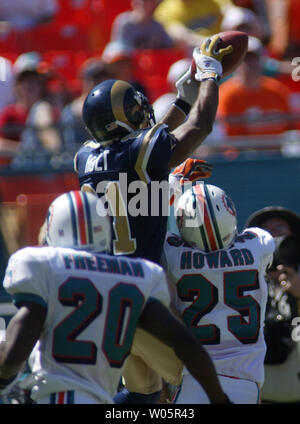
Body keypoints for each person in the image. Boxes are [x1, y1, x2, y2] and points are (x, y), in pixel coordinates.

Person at [74, 34, 233, 403]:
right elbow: (200, 127)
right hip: (140, 296)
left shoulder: (85, 158)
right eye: (134, 110)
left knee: (144, 395)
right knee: (197, 382)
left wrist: (179, 101)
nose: (143, 114)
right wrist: (210, 76)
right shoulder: (140, 152)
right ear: (123, 121)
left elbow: (143, 146)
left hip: (106, 297)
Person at [0, 190, 232, 404]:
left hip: (57, 396)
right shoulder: (136, 275)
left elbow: (16, 349)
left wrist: (5, 382)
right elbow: (186, 343)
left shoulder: (40, 265)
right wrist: (220, 400)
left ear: (53, 228)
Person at [161, 182, 275, 403]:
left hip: (194, 376)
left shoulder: (170, 253)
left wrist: (173, 185)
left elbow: (147, 226)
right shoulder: (259, 243)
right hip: (247, 379)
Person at [245, 206, 300, 403]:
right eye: (267, 232)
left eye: (280, 228)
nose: (275, 237)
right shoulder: (245, 281)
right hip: (260, 391)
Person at [217, 36, 294, 137]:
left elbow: (291, 125)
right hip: (244, 151)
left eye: (253, 59)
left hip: (277, 150)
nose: (249, 64)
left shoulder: (277, 90)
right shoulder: (226, 94)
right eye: (244, 59)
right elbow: (230, 137)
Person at [61, 58, 110, 154]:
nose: (97, 82)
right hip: (78, 157)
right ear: (83, 80)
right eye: (93, 77)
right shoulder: (71, 109)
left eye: (102, 76)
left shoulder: (112, 105)